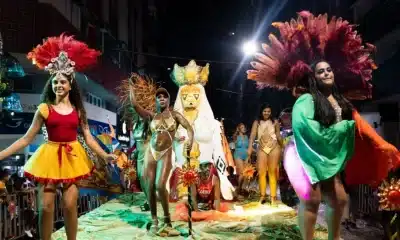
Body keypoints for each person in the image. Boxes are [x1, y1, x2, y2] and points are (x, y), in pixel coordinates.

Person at [247, 11, 400, 240]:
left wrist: (385, 148)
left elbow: (359, 127)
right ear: (314, 78)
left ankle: (334, 237)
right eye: (321, 71)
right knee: (312, 198)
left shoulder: (341, 102)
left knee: (339, 199)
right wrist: (340, 130)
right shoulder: (305, 101)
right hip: (302, 155)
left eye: (328, 70)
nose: (326, 72)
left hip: (326, 157)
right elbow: (307, 130)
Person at [0, 34, 116, 240]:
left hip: (73, 157)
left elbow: (88, 136)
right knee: (45, 208)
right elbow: (26, 139)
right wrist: (2, 154)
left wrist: (105, 155)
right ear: (51, 84)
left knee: (71, 205)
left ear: (70, 85)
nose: (58, 85)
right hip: (49, 158)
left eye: (63, 81)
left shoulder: (78, 110)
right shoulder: (44, 109)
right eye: (55, 81)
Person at [130, 83, 194, 236]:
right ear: (156, 101)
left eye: (164, 96)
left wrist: (189, 142)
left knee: (159, 185)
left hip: (166, 152)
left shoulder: (175, 115)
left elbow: (189, 128)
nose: (162, 98)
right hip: (151, 152)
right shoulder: (152, 115)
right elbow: (135, 105)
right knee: (149, 186)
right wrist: (132, 88)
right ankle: (154, 220)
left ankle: (167, 221)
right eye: (159, 97)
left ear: (169, 100)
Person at [247, 104, 282, 205]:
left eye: (268, 111)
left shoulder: (275, 122)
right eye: (264, 111)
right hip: (262, 148)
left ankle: (273, 197)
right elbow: (253, 135)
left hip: (274, 147)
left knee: (272, 172)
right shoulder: (257, 122)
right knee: (261, 172)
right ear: (261, 111)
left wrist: (283, 146)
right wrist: (250, 147)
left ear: (271, 112)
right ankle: (262, 196)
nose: (266, 113)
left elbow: (278, 135)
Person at [232, 123, 249, 196]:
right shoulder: (236, 136)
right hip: (238, 155)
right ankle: (238, 189)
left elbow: (248, 147)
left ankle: (243, 189)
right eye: (242, 127)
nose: (244, 128)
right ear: (238, 129)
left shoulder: (246, 137)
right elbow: (234, 146)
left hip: (246, 155)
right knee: (241, 173)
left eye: (244, 127)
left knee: (246, 174)